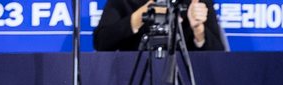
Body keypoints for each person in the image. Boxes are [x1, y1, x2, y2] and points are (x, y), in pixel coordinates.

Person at [93, 0, 227, 52]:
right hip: (133, 78)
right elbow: (101, 42)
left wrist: (198, 30)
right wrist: (138, 18)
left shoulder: (194, 2)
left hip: (186, 82)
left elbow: (219, 56)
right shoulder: (126, 2)